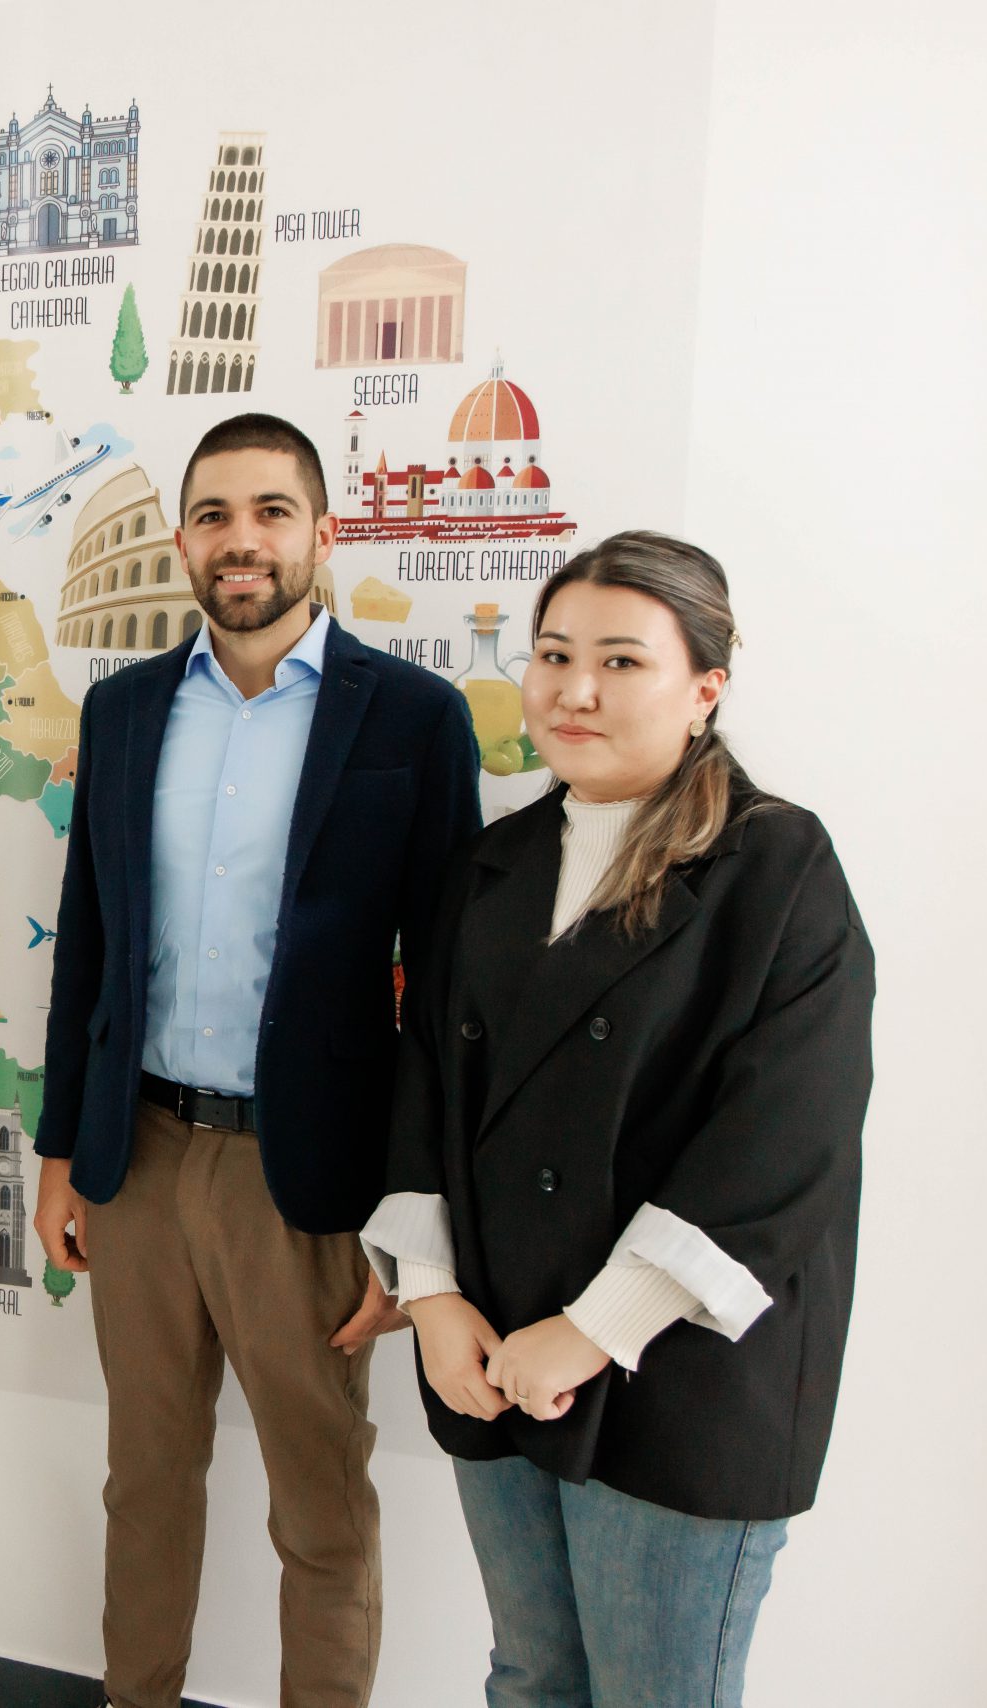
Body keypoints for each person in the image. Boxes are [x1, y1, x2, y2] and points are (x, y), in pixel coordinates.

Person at [360, 530, 874, 1707]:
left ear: (705, 687)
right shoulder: (488, 865)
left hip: (680, 1373)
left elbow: (781, 1143)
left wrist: (592, 1328)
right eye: (552, 655)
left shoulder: (776, 867)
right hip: (493, 1352)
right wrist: (431, 1301)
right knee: (531, 1677)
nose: (573, 690)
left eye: (620, 661)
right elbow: (423, 1086)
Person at [34, 414, 484, 1708]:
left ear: (322, 533)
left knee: (320, 1506)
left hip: (309, 1181)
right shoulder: (124, 711)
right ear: (184, 541)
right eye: (215, 514)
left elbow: (446, 997)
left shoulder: (415, 719)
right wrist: (62, 1154)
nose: (242, 540)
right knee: (145, 1483)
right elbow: (88, 947)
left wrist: (417, 1231)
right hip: (138, 1159)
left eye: (271, 511)